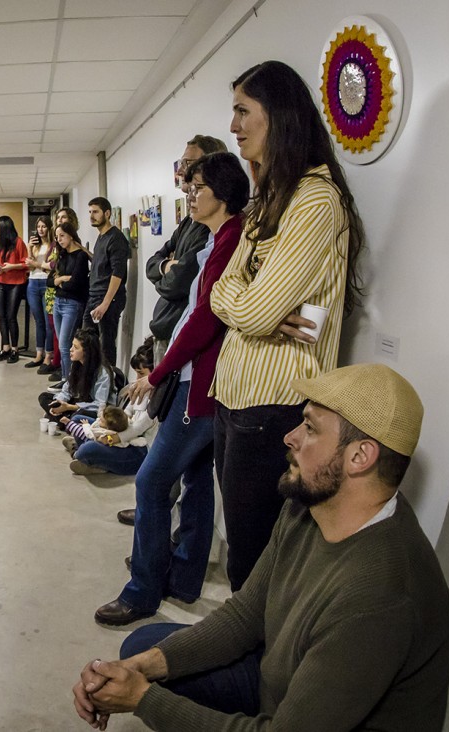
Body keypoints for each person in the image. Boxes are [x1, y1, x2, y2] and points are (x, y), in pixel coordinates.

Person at [73, 364, 449, 732]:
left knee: (153, 684)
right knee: (144, 648)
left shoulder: (380, 597)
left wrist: (142, 699)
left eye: (309, 427)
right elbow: (245, 615)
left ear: (360, 457)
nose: (290, 437)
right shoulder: (309, 503)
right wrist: (142, 670)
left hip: (297, 716)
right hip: (279, 680)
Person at [209, 60, 366, 591]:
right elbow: (219, 295)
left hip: (271, 406)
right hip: (232, 397)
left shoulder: (316, 200)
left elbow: (248, 310)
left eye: (242, 111)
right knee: (242, 552)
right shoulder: (267, 202)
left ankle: (255, 671)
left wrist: (255, 312)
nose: (233, 126)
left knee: (254, 567)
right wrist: (260, 312)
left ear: (278, 116)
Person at [95, 152, 250, 626]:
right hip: (196, 376)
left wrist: (158, 373)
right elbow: (168, 273)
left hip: (199, 382)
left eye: (196, 187)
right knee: (199, 478)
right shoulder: (217, 236)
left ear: (221, 193)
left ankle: (143, 589)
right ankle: (181, 578)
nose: (189, 195)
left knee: (152, 479)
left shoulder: (230, 239)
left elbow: (204, 319)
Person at [145, 135, 227, 364]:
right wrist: (166, 265)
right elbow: (152, 263)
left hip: (186, 337)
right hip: (167, 328)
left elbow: (177, 283)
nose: (181, 171)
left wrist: (171, 271)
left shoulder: (212, 227)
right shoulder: (189, 222)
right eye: (182, 164)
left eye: (189, 164)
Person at [68, 343, 156, 478]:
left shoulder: (158, 397)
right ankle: (90, 451)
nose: (137, 379)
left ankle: (85, 451)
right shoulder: (139, 389)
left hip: (138, 449)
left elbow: (137, 429)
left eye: (141, 374)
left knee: (86, 450)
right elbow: (126, 413)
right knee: (77, 419)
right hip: (123, 431)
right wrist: (110, 424)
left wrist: (112, 438)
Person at [86, 197, 131, 367]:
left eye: (95, 212)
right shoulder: (101, 237)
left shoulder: (116, 238)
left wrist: (105, 303)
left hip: (108, 299)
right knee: (86, 342)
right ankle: (89, 383)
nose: (91, 216)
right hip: (94, 296)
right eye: (90, 212)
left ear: (107, 213)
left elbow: (117, 273)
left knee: (106, 347)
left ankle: (108, 387)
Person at [39, 329, 112, 426]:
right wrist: (59, 403)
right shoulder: (76, 364)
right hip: (76, 402)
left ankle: (63, 420)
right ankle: (64, 420)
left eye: (76, 347)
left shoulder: (102, 373)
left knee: (79, 416)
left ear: (86, 352)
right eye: (72, 345)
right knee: (44, 397)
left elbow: (99, 405)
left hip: (90, 408)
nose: (71, 349)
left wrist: (70, 407)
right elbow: (67, 389)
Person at [51, 222, 91, 385]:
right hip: (58, 302)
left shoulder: (80, 256)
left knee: (65, 344)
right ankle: (66, 378)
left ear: (71, 235)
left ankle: (69, 380)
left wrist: (59, 282)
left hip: (72, 304)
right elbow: (50, 280)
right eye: (57, 237)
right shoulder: (61, 255)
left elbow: (76, 284)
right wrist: (61, 279)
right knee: (63, 346)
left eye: (62, 236)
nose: (59, 240)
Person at [0, 215, 29, 363]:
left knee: (11, 316)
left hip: (16, 283)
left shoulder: (18, 242)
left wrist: (12, 266)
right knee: (1, 316)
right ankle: (5, 348)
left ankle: (14, 349)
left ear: (4, 226)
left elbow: (26, 264)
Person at [24, 215, 54, 368]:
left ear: (49, 228)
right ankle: (38, 354)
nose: (40, 230)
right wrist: (29, 248)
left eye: (43, 226)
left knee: (49, 322)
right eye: (38, 227)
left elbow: (50, 266)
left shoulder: (53, 245)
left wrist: (38, 264)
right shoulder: (35, 246)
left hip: (47, 283)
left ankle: (49, 355)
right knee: (38, 321)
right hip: (33, 282)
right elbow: (30, 267)